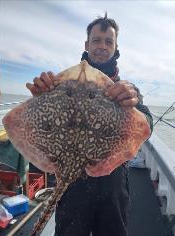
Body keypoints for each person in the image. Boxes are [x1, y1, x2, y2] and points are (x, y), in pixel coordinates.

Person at [26, 14, 153, 236]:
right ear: (87, 44)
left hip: (113, 184)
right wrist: (40, 99)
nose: (102, 46)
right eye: (97, 40)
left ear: (115, 47)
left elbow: (146, 124)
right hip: (72, 184)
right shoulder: (64, 85)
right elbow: (36, 124)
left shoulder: (125, 90)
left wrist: (133, 102)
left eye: (108, 41)